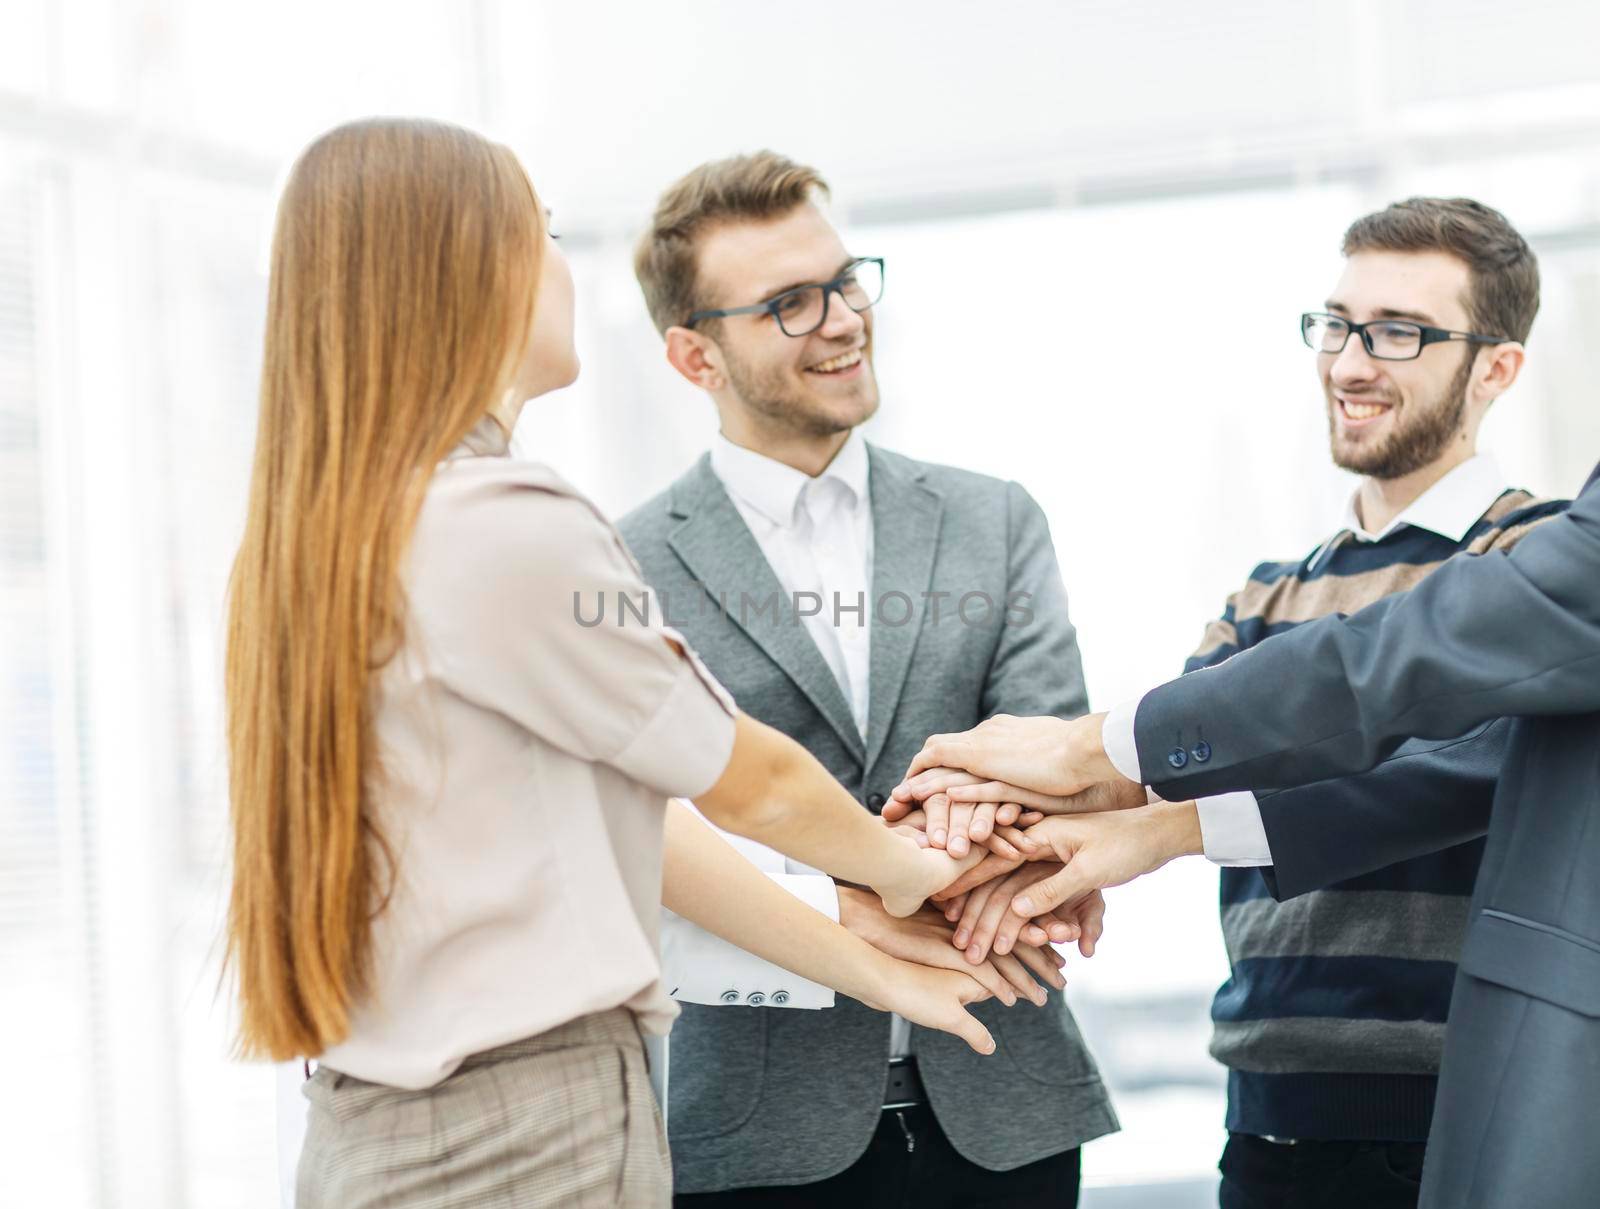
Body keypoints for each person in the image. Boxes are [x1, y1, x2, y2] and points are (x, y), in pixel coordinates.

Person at [226, 118, 998, 1209]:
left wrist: (867, 959)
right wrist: (916, 873)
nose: (561, 263)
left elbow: (638, 822)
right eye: (537, 230)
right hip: (526, 1131)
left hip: (394, 1129)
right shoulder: (500, 521)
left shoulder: (341, 529)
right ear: (469, 267)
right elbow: (749, 782)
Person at [896, 198, 1566, 1209]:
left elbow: (1455, 779)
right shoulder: (1262, 599)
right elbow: (1152, 777)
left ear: (1496, 369)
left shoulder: (1535, 568)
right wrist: (990, 821)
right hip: (1267, 1117)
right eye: (1336, 325)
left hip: (1461, 1109)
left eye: (1397, 333)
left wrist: (1157, 833)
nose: (1347, 363)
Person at [617, 151, 1117, 1208]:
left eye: (846, 282)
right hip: (757, 1130)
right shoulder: (624, 565)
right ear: (693, 354)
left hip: (1004, 1101)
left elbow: (1054, 763)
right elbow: (650, 825)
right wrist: (868, 888)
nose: (842, 319)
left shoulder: (993, 519)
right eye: (790, 305)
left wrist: (949, 848)